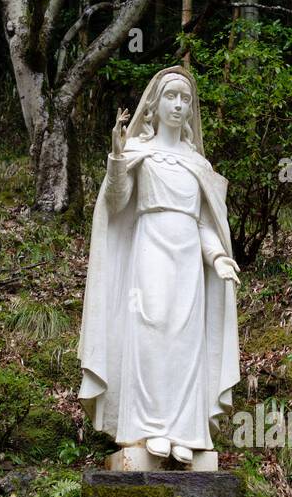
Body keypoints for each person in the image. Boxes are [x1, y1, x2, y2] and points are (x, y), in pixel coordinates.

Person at [78, 66, 240, 467]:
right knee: (149, 331)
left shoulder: (197, 164)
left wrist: (218, 257)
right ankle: (149, 426)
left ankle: (185, 429)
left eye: (185, 99)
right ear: (155, 104)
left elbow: (203, 222)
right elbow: (117, 204)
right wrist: (117, 156)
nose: (178, 105)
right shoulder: (139, 153)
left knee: (186, 338)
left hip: (188, 256)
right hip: (150, 248)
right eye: (171, 96)